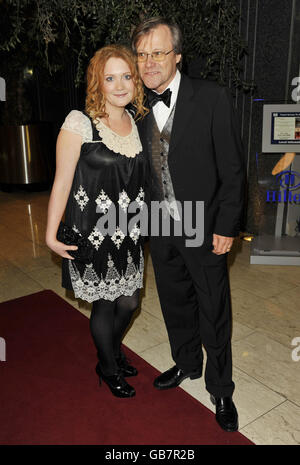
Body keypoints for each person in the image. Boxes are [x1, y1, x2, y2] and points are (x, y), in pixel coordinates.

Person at [132, 17, 245, 431]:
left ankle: (221, 388)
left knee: (213, 308)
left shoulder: (211, 98)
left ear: (177, 56)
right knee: (174, 302)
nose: (149, 63)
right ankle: (185, 364)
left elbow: (233, 170)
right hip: (158, 222)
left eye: (158, 52)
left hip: (204, 222)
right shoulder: (137, 105)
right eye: (142, 54)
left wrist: (227, 225)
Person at [45, 45, 149, 398]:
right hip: (92, 232)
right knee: (106, 303)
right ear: (97, 83)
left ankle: (111, 350)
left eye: (126, 76)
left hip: (129, 229)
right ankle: (107, 366)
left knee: (131, 301)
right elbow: (61, 181)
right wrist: (49, 233)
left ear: (135, 81)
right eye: (110, 78)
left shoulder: (134, 122)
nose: (119, 85)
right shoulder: (80, 122)